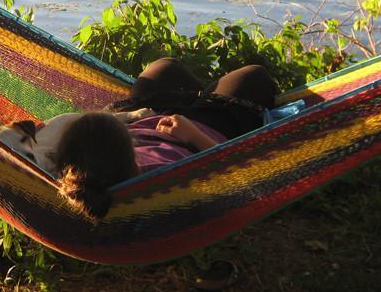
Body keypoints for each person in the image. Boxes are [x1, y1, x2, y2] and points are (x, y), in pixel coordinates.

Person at [56, 58, 277, 219]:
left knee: (165, 66)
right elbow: (238, 172)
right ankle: (206, 97)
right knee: (254, 75)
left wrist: (127, 121)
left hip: (148, 112)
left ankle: (205, 95)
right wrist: (193, 135)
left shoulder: (76, 176)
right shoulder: (163, 184)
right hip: (207, 126)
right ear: (133, 160)